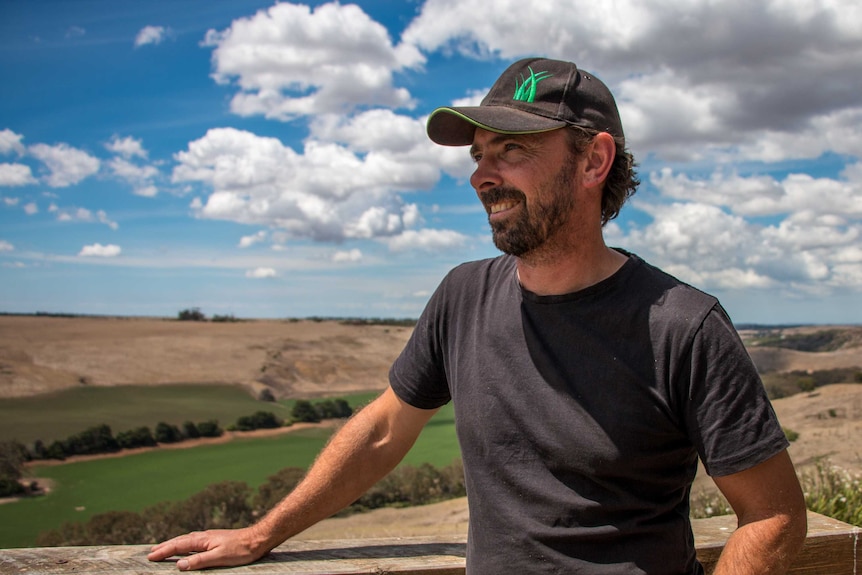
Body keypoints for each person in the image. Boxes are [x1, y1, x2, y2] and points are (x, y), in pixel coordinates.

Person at [148, 57, 807, 574]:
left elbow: (773, 515)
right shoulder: (462, 296)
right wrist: (263, 531)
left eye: (512, 150)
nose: (480, 176)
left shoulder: (683, 326)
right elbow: (383, 430)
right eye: (478, 155)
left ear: (594, 159)